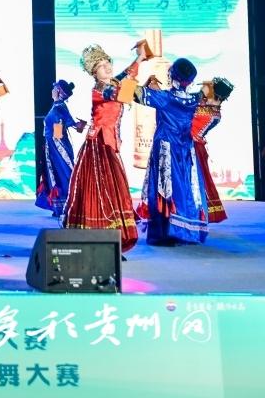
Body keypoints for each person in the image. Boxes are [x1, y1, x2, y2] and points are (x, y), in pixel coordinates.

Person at [62, 44, 141, 253]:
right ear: (93, 72)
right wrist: (135, 72)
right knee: (101, 190)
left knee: (113, 190)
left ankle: (112, 239)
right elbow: (125, 94)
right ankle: (100, 236)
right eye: (101, 66)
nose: (107, 67)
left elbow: (125, 76)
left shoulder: (112, 83)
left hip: (109, 143)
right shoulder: (100, 89)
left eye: (108, 63)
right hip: (98, 145)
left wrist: (140, 58)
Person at [135, 58, 207, 246]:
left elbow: (128, 93)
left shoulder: (165, 98)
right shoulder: (195, 99)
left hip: (165, 148)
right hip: (185, 149)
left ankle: (164, 234)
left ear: (171, 75)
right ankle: (185, 231)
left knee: (164, 188)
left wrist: (141, 77)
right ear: (190, 81)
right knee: (184, 187)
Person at [35, 79, 85, 217]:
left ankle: (69, 205)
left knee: (63, 172)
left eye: (54, 88)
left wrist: (55, 145)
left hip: (57, 146)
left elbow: (59, 131)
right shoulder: (57, 106)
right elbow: (69, 124)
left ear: (58, 91)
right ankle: (61, 206)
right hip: (52, 145)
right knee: (56, 174)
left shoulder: (59, 108)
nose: (52, 91)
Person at [192, 77, 234, 224]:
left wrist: (203, 91)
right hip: (198, 147)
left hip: (191, 148)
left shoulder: (203, 109)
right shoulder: (215, 111)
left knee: (193, 182)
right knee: (200, 181)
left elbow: (189, 104)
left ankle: (195, 213)